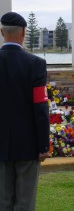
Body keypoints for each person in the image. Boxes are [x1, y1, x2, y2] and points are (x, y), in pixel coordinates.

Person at [0, 12, 50, 211]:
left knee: (3, 203)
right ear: (23, 33)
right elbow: (40, 106)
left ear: (2, 32)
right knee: (25, 203)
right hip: (28, 145)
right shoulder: (35, 64)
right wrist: (43, 145)